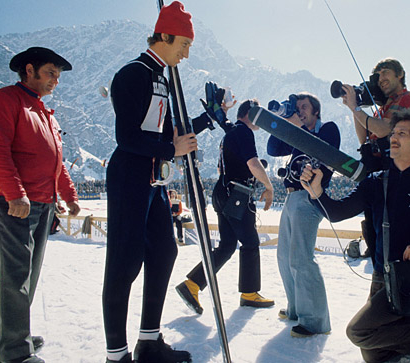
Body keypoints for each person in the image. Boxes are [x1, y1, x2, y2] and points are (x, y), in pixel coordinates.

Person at [301, 112, 410, 362]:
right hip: (384, 279)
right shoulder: (375, 181)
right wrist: (317, 192)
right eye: (393, 133)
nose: (393, 137)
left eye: (402, 133)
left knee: (358, 332)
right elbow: (338, 212)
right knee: (373, 351)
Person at [102, 2, 207, 362]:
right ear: (164, 35)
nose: (187, 53)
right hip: (129, 175)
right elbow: (126, 136)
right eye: (184, 44)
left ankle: (149, 341)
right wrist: (169, 147)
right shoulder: (133, 73)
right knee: (125, 261)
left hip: (153, 179)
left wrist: (205, 121)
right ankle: (116, 355)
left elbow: (168, 133)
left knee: (164, 250)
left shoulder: (163, 76)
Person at [0, 47, 80, 363]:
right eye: (51, 72)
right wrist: (15, 194)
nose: (55, 80)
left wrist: (69, 197)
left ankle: (0, 340)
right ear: (29, 69)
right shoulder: (3, 101)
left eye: (58, 76)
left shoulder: (44, 113)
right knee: (16, 275)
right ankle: (16, 352)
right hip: (8, 202)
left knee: (26, 276)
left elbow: (56, 162)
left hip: (39, 203)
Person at [176, 99, 275, 314]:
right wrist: (269, 186)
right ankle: (249, 293)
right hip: (237, 195)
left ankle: (192, 285)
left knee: (228, 245)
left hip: (223, 193)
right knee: (250, 242)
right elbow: (253, 163)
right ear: (250, 114)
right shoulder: (244, 132)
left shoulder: (233, 132)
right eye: (258, 114)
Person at [267, 92, 340, 337]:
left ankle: (315, 321)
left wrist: (298, 130)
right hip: (291, 196)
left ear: (316, 110)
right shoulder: (295, 133)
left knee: (301, 258)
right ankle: (296, 308)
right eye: (297, 108)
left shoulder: (327, 128)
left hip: (310, 196)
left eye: (304, 107)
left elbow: (326, 151)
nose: (300, 111)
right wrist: (284, 124)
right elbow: (273, 148)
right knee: (284, 256)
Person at [340, 58, 410, 266]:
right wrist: (355, 108)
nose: (381, 79)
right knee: (375, 230)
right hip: (376, 170)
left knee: (390, 229)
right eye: (377, 76)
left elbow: (384, 129)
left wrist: (358, 110)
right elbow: (364, 138)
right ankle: (379, 283)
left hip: (394, 171)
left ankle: (389, 285)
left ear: (400, 74)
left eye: (385, 73)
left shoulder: (407, 98)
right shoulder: (380, 110)